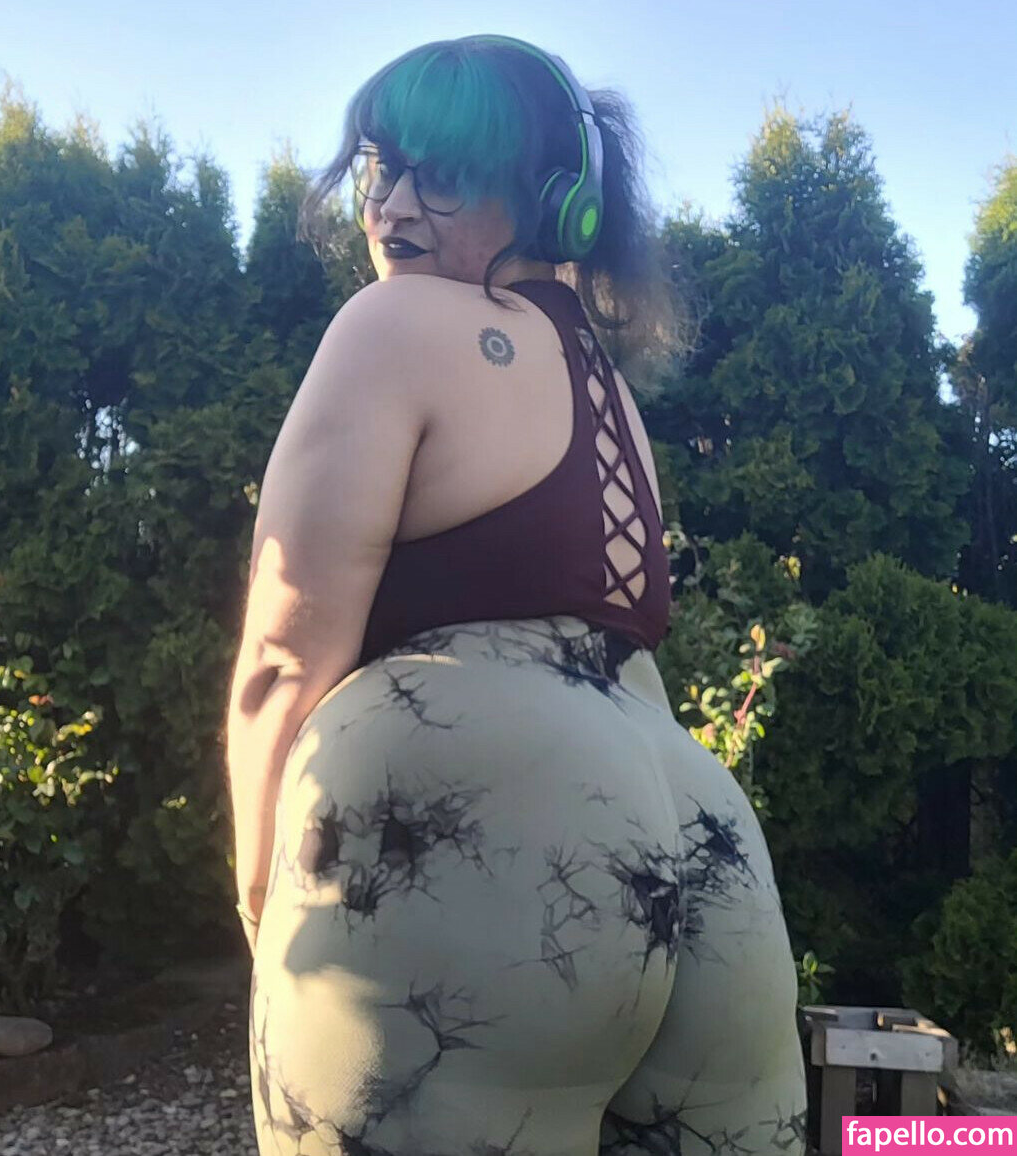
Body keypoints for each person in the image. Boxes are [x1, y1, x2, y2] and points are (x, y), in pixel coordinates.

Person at [225, 33, 807, 1155]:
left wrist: (261, 893)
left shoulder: (391, 325)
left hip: (482, 834)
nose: (392, 205)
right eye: (380, 169)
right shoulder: (615, 398)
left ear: (552, 199)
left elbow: (285, 654)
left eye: (442, 174)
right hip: (703, 833)